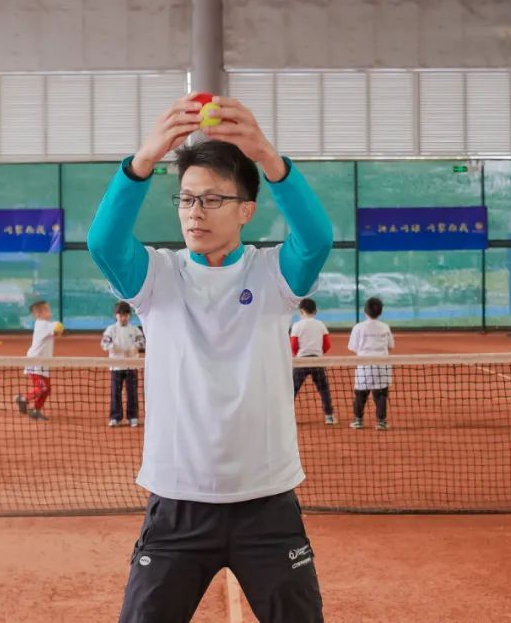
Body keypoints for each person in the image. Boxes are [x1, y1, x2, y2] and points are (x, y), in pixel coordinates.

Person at [87, 94, 332, 621]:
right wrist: (143, 161)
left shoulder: (274, 275)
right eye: (186, 199)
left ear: (247, 210)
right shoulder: (156, 277)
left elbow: (316, 239)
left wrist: (267, 156)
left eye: (212, 199)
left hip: (267, 505)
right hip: (177, 504)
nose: (195, 212)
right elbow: (103, 242)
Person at [347, 297, 395, 431]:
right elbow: (390, 346)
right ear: (381, 312)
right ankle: (381, 422)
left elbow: (353, 347)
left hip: (364, 367)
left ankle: (358, 421)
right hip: (382, 367)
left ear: (365, 311)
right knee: (381, 395)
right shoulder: (385, 327)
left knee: (360, 395)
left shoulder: (358, 327)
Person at [290, 297, 336, 425]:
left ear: (301, 311)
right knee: (324, 389)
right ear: (315, 311)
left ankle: (287, 417)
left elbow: (293, 344)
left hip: (301, 362)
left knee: (292, 390)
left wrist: (298, 354)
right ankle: (329, 416)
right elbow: (327, 344)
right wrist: (319, 353)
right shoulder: (320, 324)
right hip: (317, 361)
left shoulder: (297, 325)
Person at [16, 300, 63, 421]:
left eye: (48, 309)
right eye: (46, 310)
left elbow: (56, 331)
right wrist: (58, 328)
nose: (49, 312)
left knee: (46, 390)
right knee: (42, 388)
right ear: (38, 314)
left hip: (44, 363)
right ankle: (23, 399)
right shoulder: (42, 325)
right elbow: (57, 326)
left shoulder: (45, 325)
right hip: (35, 362)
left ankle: (36, 410)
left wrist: (57, 330)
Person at [102, 301, 146, 428]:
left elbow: (142, 342)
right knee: (115, 393)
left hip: (131, 367)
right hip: (116, 366)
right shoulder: (111, 329)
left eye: (125, 315)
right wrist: (112, 347)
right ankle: (115, 417)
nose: (123, 318)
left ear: (129, 316)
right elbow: (104, 343)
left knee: (132, 393)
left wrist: (136, 347)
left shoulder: (135, 329)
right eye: (120, 315)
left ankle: (133, 417)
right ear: (115, 315)